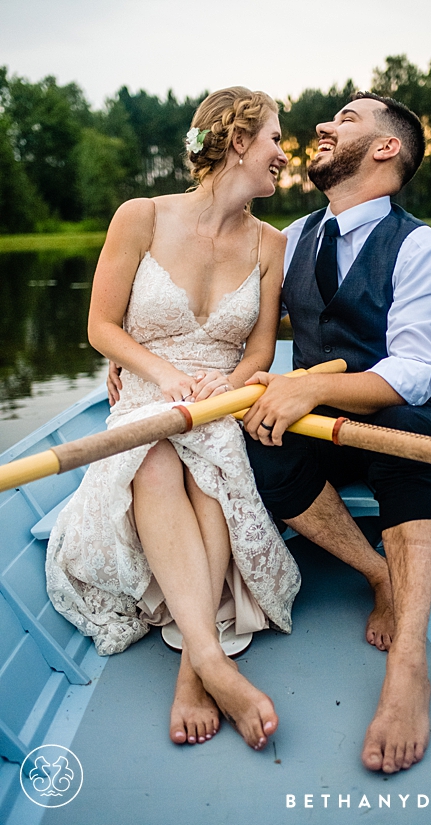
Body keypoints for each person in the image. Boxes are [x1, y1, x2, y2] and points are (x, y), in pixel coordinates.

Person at [46, 86, 301, 753]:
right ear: (239, 140)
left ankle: (195, 667)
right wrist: (160, 375)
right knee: (155, 459)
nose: (283, 153)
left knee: (216, 462)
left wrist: (233, 385)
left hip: (219, 397)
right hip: (149, 391)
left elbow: (260, 349)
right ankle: (214, 659)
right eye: (275, 137)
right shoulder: (141, 216)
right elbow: (102, 325)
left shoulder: (272, 243)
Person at [242, 92, 431, 774]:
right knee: (256, 441)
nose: (325, 127)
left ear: (387, 148)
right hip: (316, 428)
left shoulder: (420, 246)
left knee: (414, 430)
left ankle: (410, 666)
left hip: (388, 419)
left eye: (347, 119)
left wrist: (313, 383)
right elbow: (246, 335)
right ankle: (377, 573)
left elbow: (414, 373)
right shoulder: (294, 237)